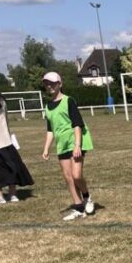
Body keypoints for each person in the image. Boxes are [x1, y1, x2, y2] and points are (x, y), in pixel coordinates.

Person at [41, 72, 95, 221]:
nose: (49, 86)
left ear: (60, 84)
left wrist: (77, 145)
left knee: (76, 175)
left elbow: (77, 124)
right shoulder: (48, 107)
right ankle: (78, 208)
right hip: (62, 144)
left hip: (75, 141)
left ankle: (86, 196)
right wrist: (46, 148)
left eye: (52, 83)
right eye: (46, 83)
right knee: (68, 177)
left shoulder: (69, 101)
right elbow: (50, 130)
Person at [0, 82, 34, 205]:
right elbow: (7, 121)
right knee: (11, 168)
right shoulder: (1, 101)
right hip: (5, 139)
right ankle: (13, 194)